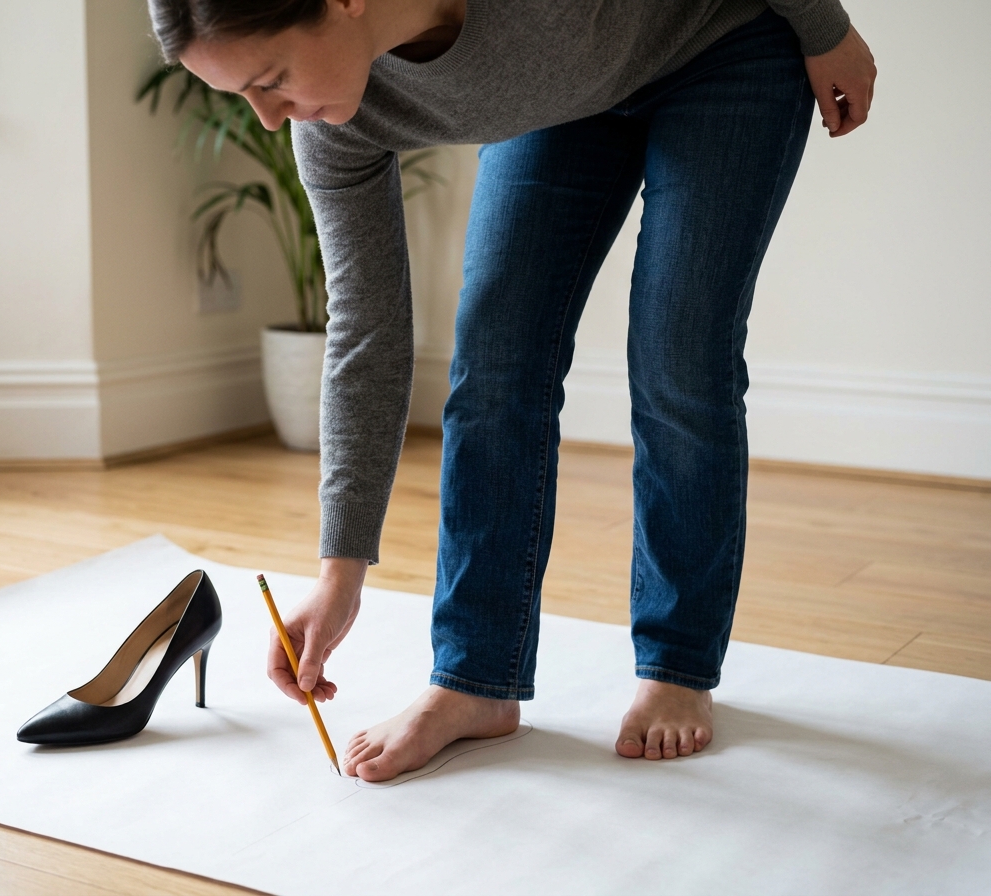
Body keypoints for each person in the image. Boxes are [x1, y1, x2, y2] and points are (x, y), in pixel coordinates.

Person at [149, 0, 876, 782]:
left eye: (273, 80)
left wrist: (824, 26)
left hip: (719, 43)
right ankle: (475, 680)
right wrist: (340, 574)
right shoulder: (333, 126)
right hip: (567, 93)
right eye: (245, 96)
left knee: (679, 357)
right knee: (494, 358)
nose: (267, 118)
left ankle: (677, 663)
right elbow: (367, 331)